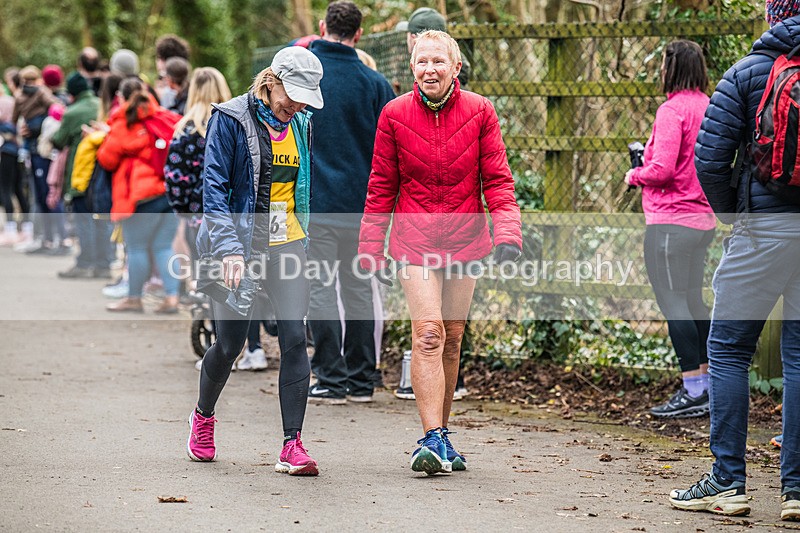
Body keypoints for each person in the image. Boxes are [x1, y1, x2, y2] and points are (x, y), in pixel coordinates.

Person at [358, 30, 522, 475]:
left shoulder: (480, 111)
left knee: (452, 340)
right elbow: (380, 188)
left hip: (466, 240)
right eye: (422, 62)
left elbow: (499, 180)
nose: (429, 69)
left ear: (455, 67)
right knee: (428, 334)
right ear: (412, 67)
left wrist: (507, 233)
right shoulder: (393, 114)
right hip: (414, 243)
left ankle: (443, 438)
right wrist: (371, 248)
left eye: (438, 62)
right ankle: (429, 437)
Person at [669, 1, 800, 521]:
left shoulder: (747, 72)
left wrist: (733, 215)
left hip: (760, 232)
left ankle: (728, 481)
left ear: (774, 16)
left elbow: (709, 157)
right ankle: (795, 491)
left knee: (726, 348)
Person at [187, 47, 324, 476]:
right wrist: (228, 249)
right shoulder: (228, 119)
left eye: (305, 97)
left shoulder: (301, 121)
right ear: (270, 83)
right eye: (292, 95)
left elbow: (301, 187)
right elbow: (214, 190)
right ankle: (203, 416)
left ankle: (292, 444)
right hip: (239, 245)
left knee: (294, 339)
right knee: (230, 345)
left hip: (287, 244)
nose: (297, 104)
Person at [304, 0, 395, 405]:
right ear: (359, 34)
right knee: (358, 289)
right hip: (363, 207)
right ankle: (361, 379)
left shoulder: (303, 80)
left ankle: (329, 375)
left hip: (317, 204)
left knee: (320, 287)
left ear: (323, 27)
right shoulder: (375, 85)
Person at [623, 40, 715, 419]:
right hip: (703, 221)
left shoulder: (671, 110)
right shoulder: (709, 105)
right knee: (693, 299)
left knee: (674, 303)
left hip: (669, 223)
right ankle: (710, 384)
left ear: (671, 68)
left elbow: (660, 170)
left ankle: (693, 389)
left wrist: (634, 173)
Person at [96, 78, 181, 314]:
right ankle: (172, 298)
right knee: (164, 247)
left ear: (121, 99)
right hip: (169, 191)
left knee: (137, 248)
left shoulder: (124, 122)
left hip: (142, 195)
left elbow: (107, 158)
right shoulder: (163, 116)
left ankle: (134, 298)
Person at [53, 72, 110, 279]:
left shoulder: (72, 112)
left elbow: (59, 141)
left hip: (81, 172)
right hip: (102, 171)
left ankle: (85, 262)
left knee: (83, 219)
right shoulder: (101, 105)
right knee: (102, 219)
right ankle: (103, 264)